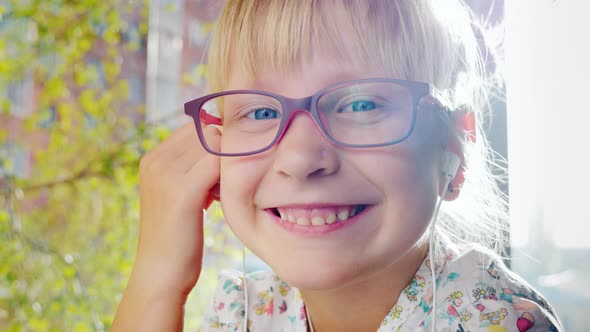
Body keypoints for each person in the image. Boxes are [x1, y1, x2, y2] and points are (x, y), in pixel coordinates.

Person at [112, 0, 562, 331]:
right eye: (262, 113)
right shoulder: (245, 308)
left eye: (361, 103)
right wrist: (158, 277)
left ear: (453, 151)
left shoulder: (493, 319)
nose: (301, 158)